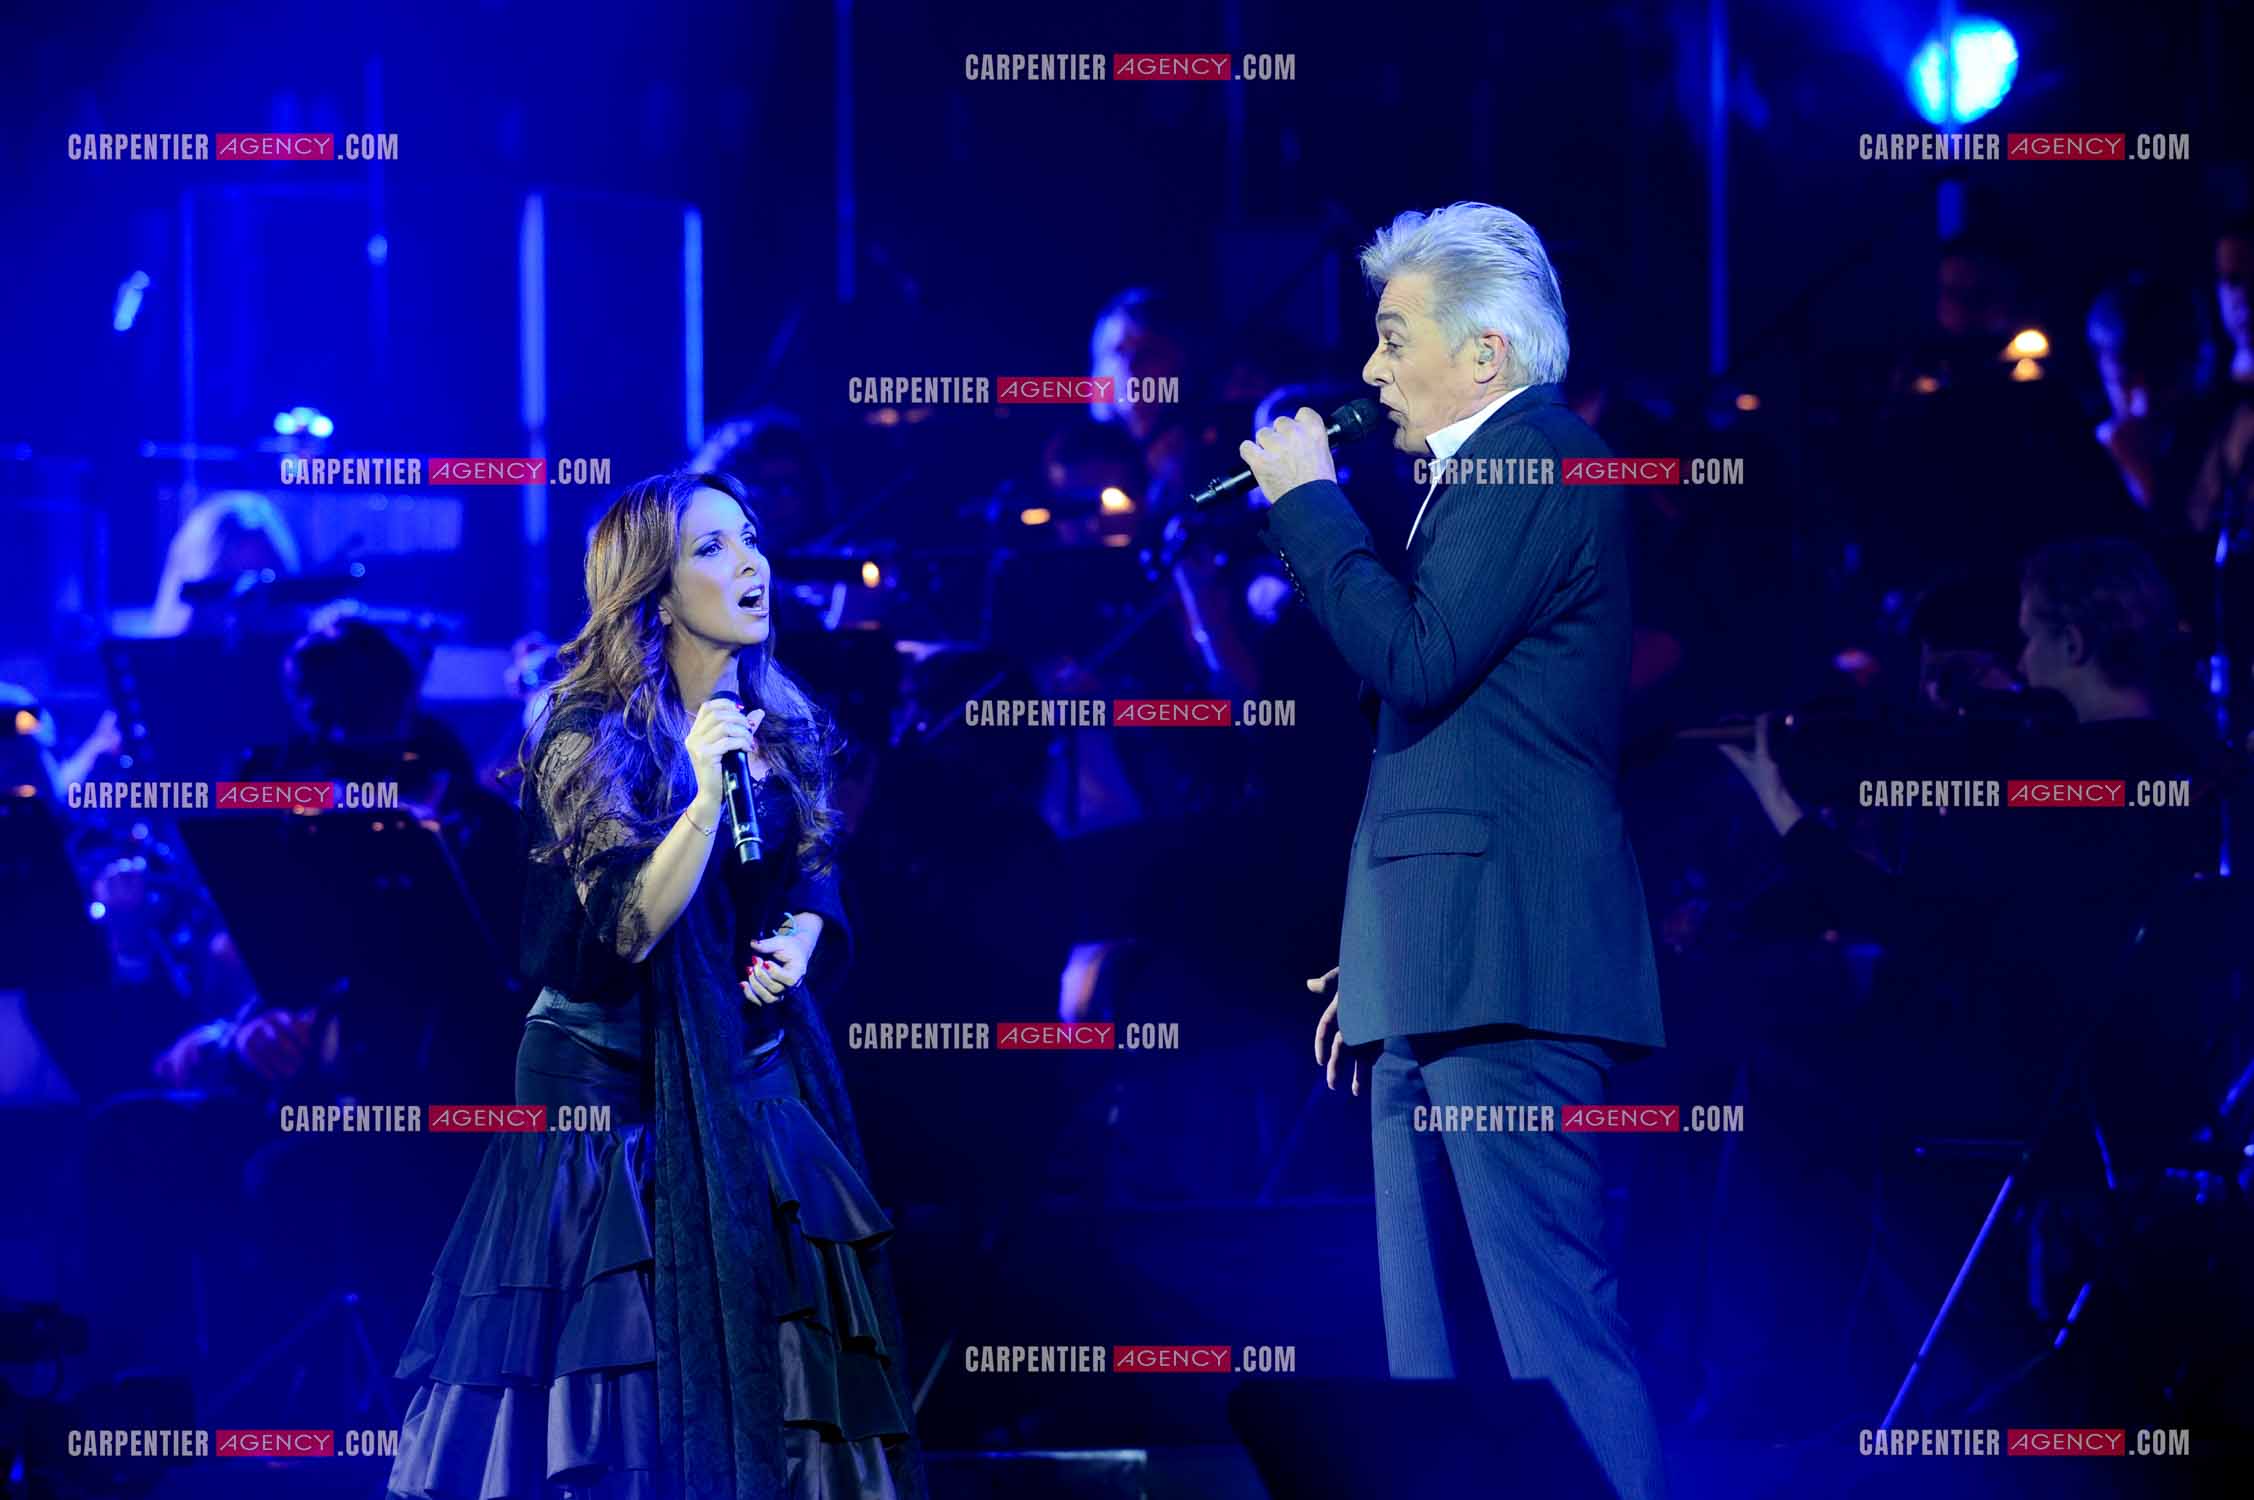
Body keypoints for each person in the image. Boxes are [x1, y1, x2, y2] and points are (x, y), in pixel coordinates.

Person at [1239, 201, 1667, 1500]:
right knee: (1432, 1365)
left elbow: (1412, 659)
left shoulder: (1537, 459)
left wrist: (1312, 507)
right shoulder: (1473, 480)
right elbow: (1448, 749)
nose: (1367, 374)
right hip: (1437, 971)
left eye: (1390, 338)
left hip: (1513, 974)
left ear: (1483, 353)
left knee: (1549, 1334)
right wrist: (1376, 951)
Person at [386, 471, 922, 1500]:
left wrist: (803, 940)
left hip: (746, 1071)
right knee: (615, 1363)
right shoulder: (581, 731)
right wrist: (704, 794)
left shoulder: (779, 716)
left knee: (792, 1356)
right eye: (713, 549)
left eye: (752, 539)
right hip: (603, 1094)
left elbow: (814, 861)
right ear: (655, 591)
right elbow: (624, 922)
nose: (751, 564)